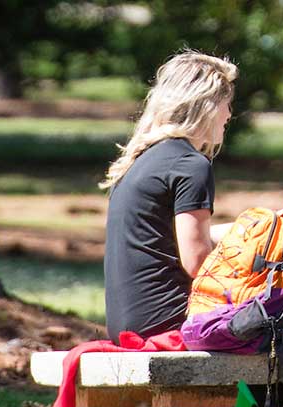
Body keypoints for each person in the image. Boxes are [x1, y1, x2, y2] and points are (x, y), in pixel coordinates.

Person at [100, 50, 237, 336]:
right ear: (207, 104)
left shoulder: (141, 161)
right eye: (227, 103)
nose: (229, 114)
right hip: (169, 323)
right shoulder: (190, 165)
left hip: (127, 324)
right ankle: (248, 386)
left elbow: (167, 237)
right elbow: (197, 261)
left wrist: (258, 227)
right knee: (274, 330)